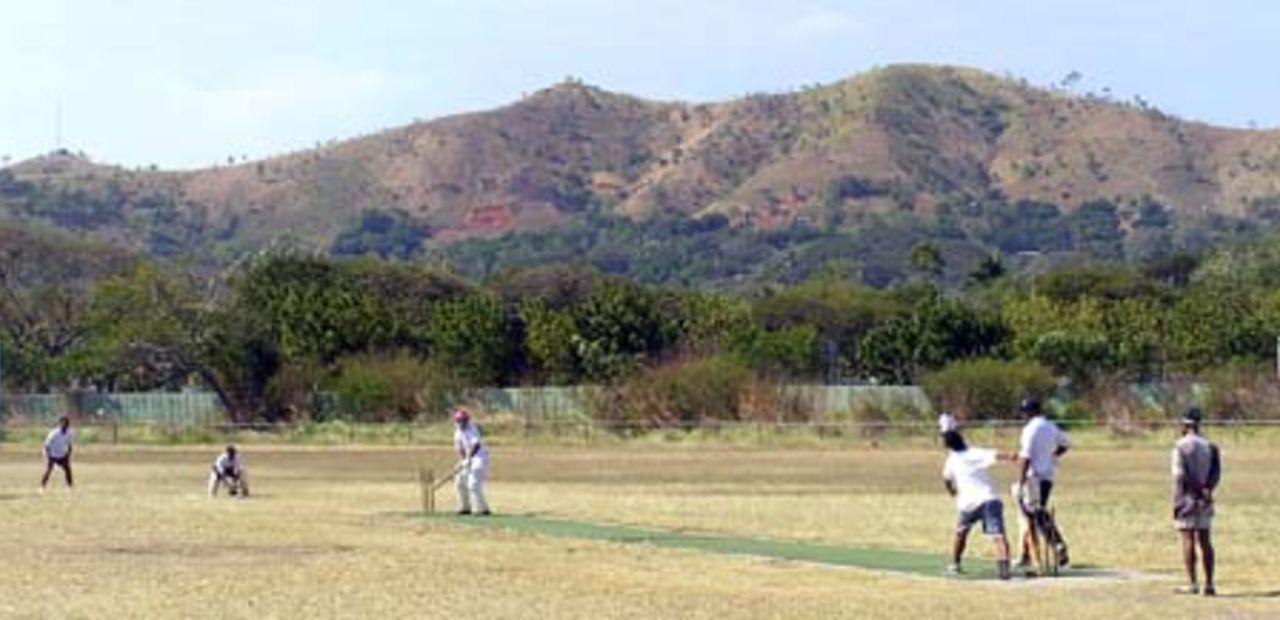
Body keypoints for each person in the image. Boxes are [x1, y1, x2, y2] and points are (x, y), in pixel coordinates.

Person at [941, 428, 1012, 580]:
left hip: (970, 503)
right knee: (998, 535)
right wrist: (1013, 456)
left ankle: (955, 563)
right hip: (987, 499)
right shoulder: (972, 453)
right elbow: (996, 455)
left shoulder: (952, 459)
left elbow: (946, 479)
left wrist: (952, 491)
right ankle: (1004, 567)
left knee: (961, 533)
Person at [1015, 398, 1071, 569]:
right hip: (1047, 477)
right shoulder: (1050, 426)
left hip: (1033, 477)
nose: (1023, 415)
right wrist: (1052, 456)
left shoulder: (1029, 429)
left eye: (1024, 412)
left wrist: (1021, 480)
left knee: (1034, 515)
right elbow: (1066, 444)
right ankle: (1027, 554)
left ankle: (1057, 544)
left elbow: (1026, 457)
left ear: (1030, 412)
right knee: (1033, 514)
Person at [1172, 408, 1220, 596]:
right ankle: (1209, 583)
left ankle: (1192, 583)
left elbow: (1179, 475)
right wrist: (1207, 490)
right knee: (1206, 539)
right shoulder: (1210, 446)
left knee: (1188, 538)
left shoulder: (1180, 446)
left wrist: (1195, 491)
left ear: (1185, 424)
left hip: (1187, 497)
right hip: (1205, 498)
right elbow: (1216, 472)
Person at [453, 409, 491, 516]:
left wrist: (469, 458)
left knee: (473, 483)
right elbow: (460, 448)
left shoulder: (472, 428)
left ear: (467, 421)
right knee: (459, 480)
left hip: (480, 458)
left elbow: (476, 445)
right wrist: (463, 460)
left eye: (463, 421)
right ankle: (465, 507)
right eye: (459, 421)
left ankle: (480, 509)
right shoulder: (457, 432)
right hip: (468, 459)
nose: (461, 423)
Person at [40, 416, 75, 492]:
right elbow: (46, 446)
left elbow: (69, 445)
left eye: (66, 424)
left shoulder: (69, 433)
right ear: (60, 424)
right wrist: (49, 458)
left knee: (68, 470)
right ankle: (42, 487)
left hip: (62, 454)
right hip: (52, 454)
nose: (65, 426)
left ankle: (70, 487)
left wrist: (68, 455)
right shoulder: (54, 433)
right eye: (63, 424)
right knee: (49, 470)